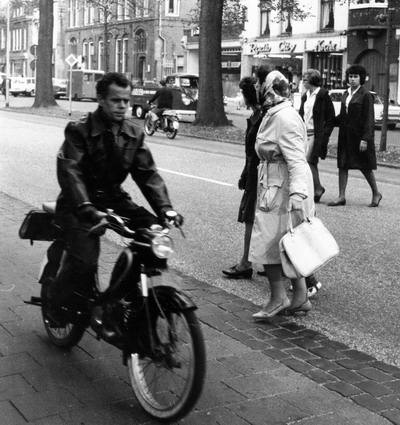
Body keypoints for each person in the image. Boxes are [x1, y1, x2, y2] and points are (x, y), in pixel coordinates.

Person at [45, 72, 182, 312]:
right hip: (78, 204)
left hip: (114, 199)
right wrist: (85, 207)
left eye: (126, 101)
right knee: (85, 264)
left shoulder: (133, 132)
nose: (122, 106)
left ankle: (122, 297)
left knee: (154, 238)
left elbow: (147, 174)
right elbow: (70, 171)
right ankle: (57, 302)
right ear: (100, 99)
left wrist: (166, 209)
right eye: (115, 100)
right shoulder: (79, 130)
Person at [248, 70, 315, 320]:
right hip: (275, 184)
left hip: (281, 188)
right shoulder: (275, 112)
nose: (256, 86)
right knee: (288, 243)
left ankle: (278, 298)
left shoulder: (283, 117)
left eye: (259, 83)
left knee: (270, 242)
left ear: (269, 87)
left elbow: (298, 160)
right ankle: (300, 297)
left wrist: (298, 194)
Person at [222, 76, 263, 279]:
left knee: (250, 217)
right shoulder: (260, 115)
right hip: (256, 172)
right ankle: (274, 262)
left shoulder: (261, 117)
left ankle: (246, 263)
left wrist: (247, 173)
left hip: (259, 174)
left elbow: (254, 152)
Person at [328, 64, 382, 207]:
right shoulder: (346, 94)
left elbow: (369, 119)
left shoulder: (366, 95)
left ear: (361, 78)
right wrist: (330, 121)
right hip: (345, 136)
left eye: (355, 77)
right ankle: (341, 196)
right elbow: (344, 115)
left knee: (364, 165)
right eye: (350, 76)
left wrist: (365, 139)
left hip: (359, 137)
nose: (352, 79)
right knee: (343, 164)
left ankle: (376, 193)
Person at [299, 69, 335, 203]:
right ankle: (315, 187)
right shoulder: (305, 96)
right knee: (308, 161)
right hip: (305, 132)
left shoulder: (322, 95)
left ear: (313, 81)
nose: (303, 82)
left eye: (305, 80)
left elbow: (330, 117)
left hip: (316, 133)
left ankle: (318, 187)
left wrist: (325, 134)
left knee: (309, 160)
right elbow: (302, 114)